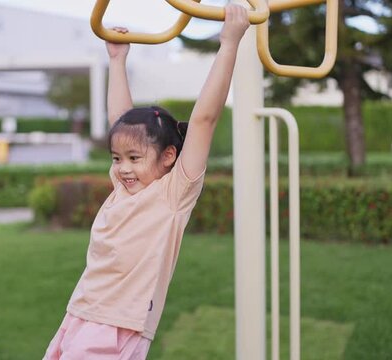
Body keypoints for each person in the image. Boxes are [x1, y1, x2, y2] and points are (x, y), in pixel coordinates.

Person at [43, 4, 250, 359]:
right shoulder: (125, 187)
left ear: (168, 156)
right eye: (117, 159)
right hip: (80, 313)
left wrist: (228, 44)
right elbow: (119, 123)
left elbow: (204, 120)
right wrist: (118, 62)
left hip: (118, 325)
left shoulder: (173, 194)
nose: (122, 168)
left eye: (134, 159)